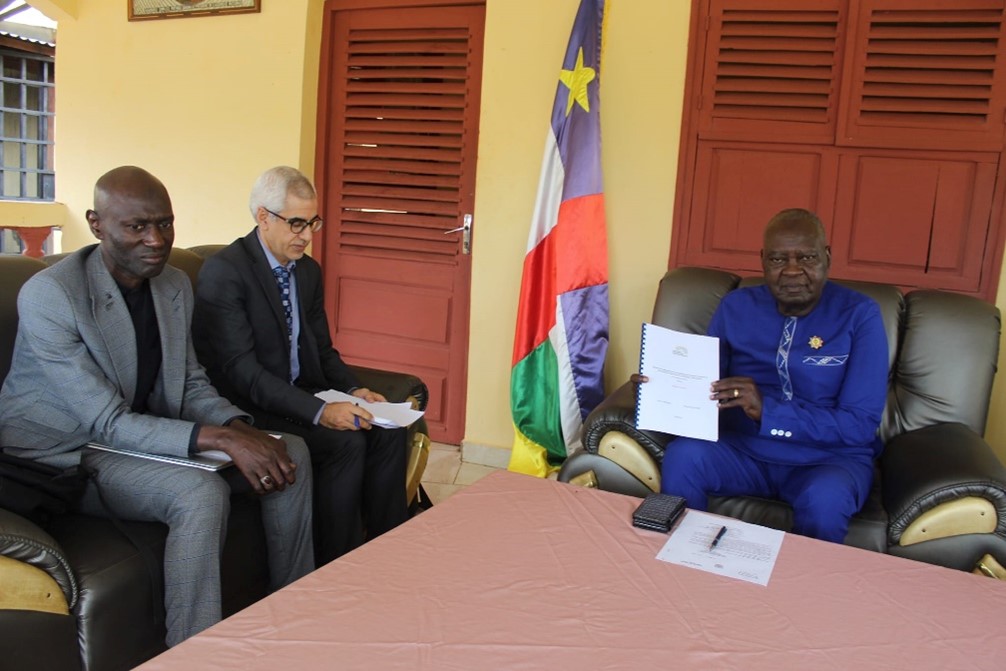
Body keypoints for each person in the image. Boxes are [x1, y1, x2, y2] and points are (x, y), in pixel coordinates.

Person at [0, 166, 315, 647]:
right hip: (64, 453)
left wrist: (237, 426)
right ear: (96, 223)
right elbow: (104, 421)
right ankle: (192, 651)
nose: (156, 239)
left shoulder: (172, 286)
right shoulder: (52, 295)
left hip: (137, 435)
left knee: (287, 448)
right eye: (137, 226)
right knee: (198, 494)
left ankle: (291, 614)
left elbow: (188, 384)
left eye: (165, 223)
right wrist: (222, 439)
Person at [192, 166, 408, 565]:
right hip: (248, 408)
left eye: (312, 223)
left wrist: (353, 389)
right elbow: (242, 372)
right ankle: (336, 567)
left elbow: (322, 350)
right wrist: (321, 412)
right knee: (346, 442)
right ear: (263, 217)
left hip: (298, 392)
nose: (306, 236)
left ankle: (384, 556)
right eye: (295, 224)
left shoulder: (307, 272)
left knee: (386, 432)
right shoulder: (226, 273)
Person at [651, 208, 888, 543]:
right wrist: (662, 385)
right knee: (683, 457)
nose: (792, 271)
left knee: (825, 501)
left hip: (827, 461)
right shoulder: (736, 307)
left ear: (827, 257)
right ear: (763, 261)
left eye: (806, 257)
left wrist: (769, 411)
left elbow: (859, 423)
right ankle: (685, 570)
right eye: (778, 260)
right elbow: (704, 384)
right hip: (742, 451)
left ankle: (801, 594)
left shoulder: (859, 315)